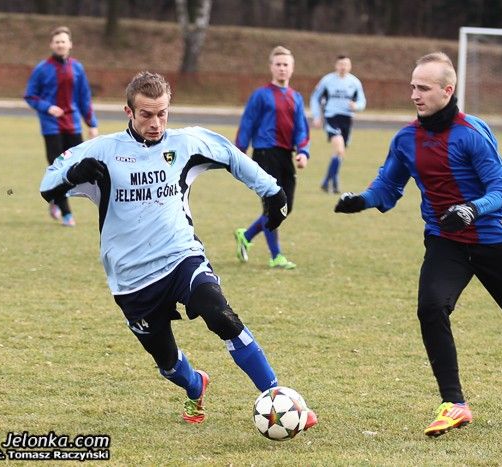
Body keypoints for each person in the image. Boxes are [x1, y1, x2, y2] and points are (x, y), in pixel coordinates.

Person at [334, 52, 502, 437]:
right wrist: (361, 201)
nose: (414, 95)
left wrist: (471, 210)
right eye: (412, 86)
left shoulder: (472, 133)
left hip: (494, 239)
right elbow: (387, 187)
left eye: (423, 88)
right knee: (431, 308)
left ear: (448, 90)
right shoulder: (406, 139)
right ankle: (454, 404)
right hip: (446, 241)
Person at [39, 71, 317, 428]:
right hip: (131, 278)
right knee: (168, 363)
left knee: (221, 315)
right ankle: (195, 384)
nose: (156, 123)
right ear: (128, 111)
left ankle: (281, 399)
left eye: (162, 113)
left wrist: (272, 192)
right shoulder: (102, 151)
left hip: (181, 257)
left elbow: (231, 155)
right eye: (146, 115)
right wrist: (73, 174)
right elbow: (48, 184)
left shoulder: (185, 143)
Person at [234, 46, 310, 270]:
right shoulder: (260, 95)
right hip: (264, 154)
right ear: (271, 67)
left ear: (292, 68)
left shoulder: (296, 97)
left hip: (286, 156)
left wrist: (303, 151)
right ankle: (276, 256)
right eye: (278, 64)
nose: (282, 68)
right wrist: (239, 151)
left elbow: (301, 129)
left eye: (286, 64)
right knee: (273, 205)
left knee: (287, 206)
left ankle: (246, 235)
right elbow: (247, 123)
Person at [25, 26, 99, 227]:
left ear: (70, 44)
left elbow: (84, 98)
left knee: (78, 167)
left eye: (63, 41)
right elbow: (30, 95)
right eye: (57, 41)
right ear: (52, 44)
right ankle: (66, 213)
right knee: (57, 169)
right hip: (52, 127)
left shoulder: (77, 68)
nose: (60, 44)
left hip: (73, 125)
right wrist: (47, 107)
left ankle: (54, 197)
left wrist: (91, 123)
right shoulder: (42, 69)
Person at [310, 54, 366, 194]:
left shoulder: (355, 82)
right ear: (336, 65)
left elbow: (362, 102)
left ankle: (329, 183)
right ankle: (330, 182)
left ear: (350, 66)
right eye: (341, 64)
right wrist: (317, 116)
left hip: (347, 120)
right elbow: (315, 98)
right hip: (331, 118)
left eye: (346, 64)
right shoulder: (327, 80)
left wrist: (356, 106)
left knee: (339, 153)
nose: (343, 67)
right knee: (340, 150)